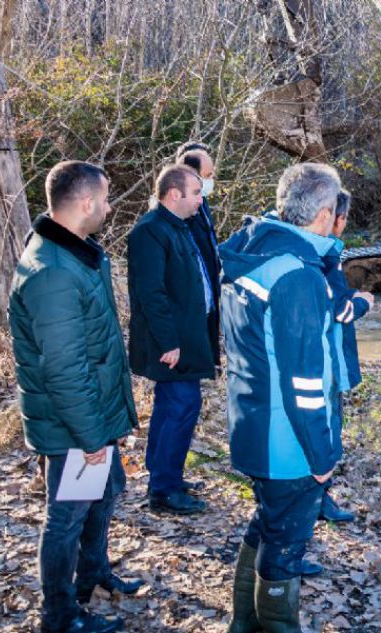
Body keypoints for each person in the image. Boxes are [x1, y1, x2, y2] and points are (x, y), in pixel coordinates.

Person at [9, 161, 144, 633]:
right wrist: (91, 439)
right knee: (65, 520)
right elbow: (64, 370)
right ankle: (59, 615)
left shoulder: (80, 254)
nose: (109, 208)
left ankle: (93, 576)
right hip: (72, 426)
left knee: (104, 495)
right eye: (106, 199)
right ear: (85, 203)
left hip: (93, 418)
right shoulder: (53, 274)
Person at [220, 162, 345, 633]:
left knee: (267, 523)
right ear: (323, 214)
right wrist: (322, 453)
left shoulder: (255, 254)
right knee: (286, 544)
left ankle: (244, 623)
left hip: (251, 421)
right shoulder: (298, 276)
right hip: (286, 440)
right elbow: (305, 383)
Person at [128, 165, 214, 515]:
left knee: (172, 407)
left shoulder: (180, 227)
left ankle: (165, 477)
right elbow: (151, 294)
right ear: (174, 194)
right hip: (171, 343)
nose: (201, 199)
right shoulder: (150, 231)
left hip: (187, 337)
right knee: (180, 407)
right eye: (196, 192)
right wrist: (168, 344)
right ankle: (163, 490)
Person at [315, 188, 376, 523]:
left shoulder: (323, 254)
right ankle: (318, 500)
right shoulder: (324, 257)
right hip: (326, 361)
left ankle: (318, 496)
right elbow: (340, 309)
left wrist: (352, 293)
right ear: (333, 217)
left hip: (325, 359)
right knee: (327, 428)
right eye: (344, 218)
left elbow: (334, 296)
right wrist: (363, 302)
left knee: (328, 425)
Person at [176, 143, 222, 376]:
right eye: (208, 175)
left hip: (208, 299)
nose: (212, 180)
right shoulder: (176, 214)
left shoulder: (202, 204)